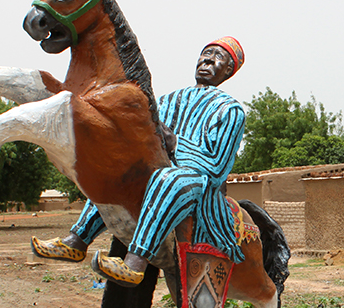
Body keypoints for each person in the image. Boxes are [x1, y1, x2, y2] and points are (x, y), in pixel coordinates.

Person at [31, 37, 246, 286]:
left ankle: (135, 262)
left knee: (167, 178)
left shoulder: (230, 110)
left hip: (198, 182)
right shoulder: (166, 100)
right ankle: (77, 240)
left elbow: (217, 167)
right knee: (120, 172)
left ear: (228, 71)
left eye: (218, 57)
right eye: (206, 53)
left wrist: (176, 143)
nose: (207, 59)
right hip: (160, 169)